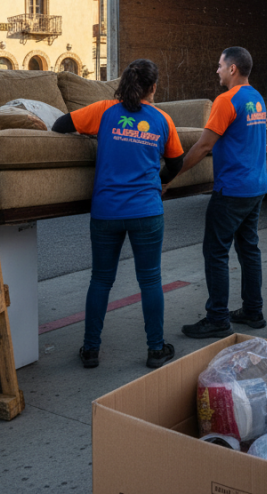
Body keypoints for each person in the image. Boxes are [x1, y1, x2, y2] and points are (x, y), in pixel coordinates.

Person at [52, 59, 185, 369]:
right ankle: (155, 349)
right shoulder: (162, 119)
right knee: (150, 280)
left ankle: (90, 350)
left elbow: (60, 125)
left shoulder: (104, 111)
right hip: (146, 210)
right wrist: (160, 182)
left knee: (100, 280)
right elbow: (177, 162)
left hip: (106, 211)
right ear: (153, 88)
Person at [178, 47, 267, 339]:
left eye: (219, 65)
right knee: (249, 250)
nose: (217, 70)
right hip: (256, 187)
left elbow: (204, 145)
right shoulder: (256, 98)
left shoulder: (226, 100)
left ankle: (217, 318)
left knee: (216, 253)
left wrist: (173, 175)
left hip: (232, 190)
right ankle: (253, 311)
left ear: (232, 69)